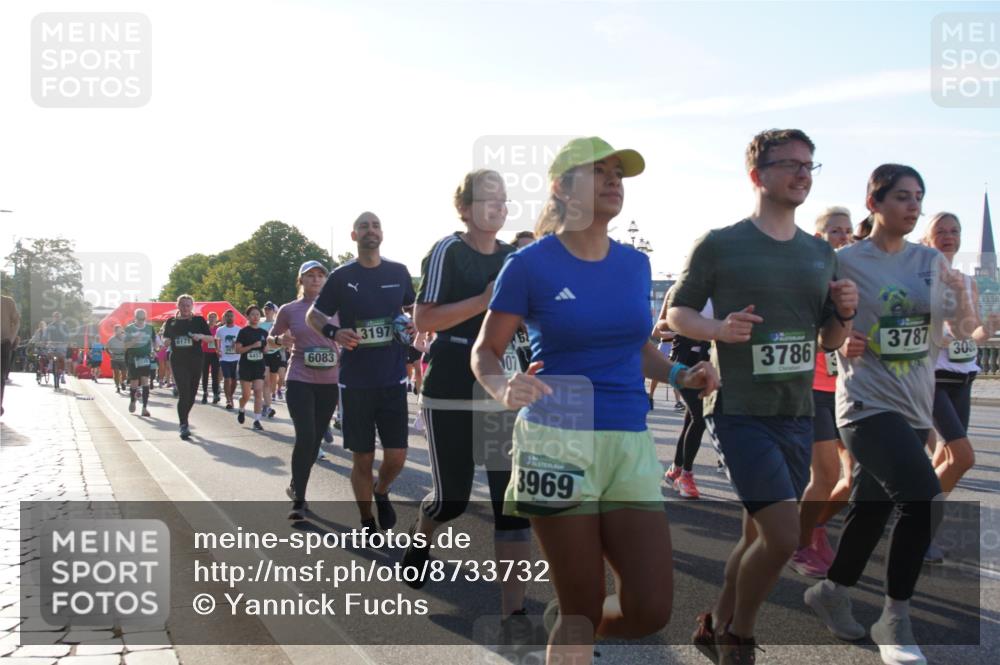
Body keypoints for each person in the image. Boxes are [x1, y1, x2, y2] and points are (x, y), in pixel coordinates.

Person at [473, 137, 719, 665]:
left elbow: (637, 346)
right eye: (599, 171)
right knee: (581, 606)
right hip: (555, 439)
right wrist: (502, 386)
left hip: (629, 439)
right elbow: (485, 351)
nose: (614, 181)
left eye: (619, 174)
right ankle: (570, 628)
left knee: (650, 609)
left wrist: (682, 373)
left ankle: (563, 624)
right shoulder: (529, 264)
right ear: (562, 188)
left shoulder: (634, 264)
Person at [667, 129, 857, 664]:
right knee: (781, 535)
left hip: (795, 412)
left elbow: (831, 341)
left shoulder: (821, 253)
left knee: (755, 536)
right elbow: (676, 313)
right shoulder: (720, 243)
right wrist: (717, 329)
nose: (802, 174)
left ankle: (714, 621)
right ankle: (739, 637)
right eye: (790, 164)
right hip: (739, 410)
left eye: (809, 165)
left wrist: (845, 312)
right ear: (757, 174)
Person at [804, 165, 974, 665]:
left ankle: (831, 591)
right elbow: (822, 333)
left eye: (918, 196)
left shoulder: (930, 262)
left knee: (872, 509)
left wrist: (962, 298)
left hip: (915, 404)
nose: (913, 205)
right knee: (922, 498)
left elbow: (964, 329)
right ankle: (895, 618)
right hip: (865, 404)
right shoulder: (843, 261)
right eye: (902, 196)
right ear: (873, 203)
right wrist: (842, 338)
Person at [405, 169, 534, 647]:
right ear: (464, 208)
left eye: (504, 199)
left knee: (511, 505)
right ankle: (423, 533)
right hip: (452, 386)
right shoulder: (448, 251)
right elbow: (424, 318)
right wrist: (484, 299)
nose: (499, 206)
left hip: (501, 388)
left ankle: (513, 613)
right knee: (452, 499)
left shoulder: (514, 258)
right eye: (487, 199)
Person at [307, 212, 416, 532]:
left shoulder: (399, 271)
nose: (371, 230)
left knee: (396, 456)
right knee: (363, 458)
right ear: (354, 235)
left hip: (393, 378)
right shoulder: (341, 276)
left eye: (376, 225)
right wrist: (334, 333)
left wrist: (414, 322)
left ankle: (382, 490)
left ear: (382, 233)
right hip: (355, 382)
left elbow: (413, 308)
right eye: (364, 226)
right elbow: (314, 315)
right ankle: (367, 519)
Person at [920, 211, 996, 563]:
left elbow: (973, 333)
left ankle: (921, 531)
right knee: (962, 457)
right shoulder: (922, 279)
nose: (949, 236)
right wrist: (946, 338)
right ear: (928, 238)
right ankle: (916, 526)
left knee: (944, 457)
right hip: (934, 378)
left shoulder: (967, 281)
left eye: (955, 230)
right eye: (941, 231)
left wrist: (988, 328)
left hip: (964, 378)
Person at [790, 206, 856, 577]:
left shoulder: (855, 279)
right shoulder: (810, 278)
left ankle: (814, 526)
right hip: (813, 389)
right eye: (835, 231)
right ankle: (799, 544)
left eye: (847, 231)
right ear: (819, 237)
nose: (843, 237)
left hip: (848, 390)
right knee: (827, 474)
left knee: (856, 477)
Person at [271, 261, 341, 521]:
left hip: (329, 381)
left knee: (315, 439)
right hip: (300, 377)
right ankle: (299, 499)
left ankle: (295, 484)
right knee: (306, 435)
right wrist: (279, 340)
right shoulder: (289, 309)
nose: (316, 279)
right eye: (310, 275)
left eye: (320, 275)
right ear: (301, 280)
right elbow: (270, 339)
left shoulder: (339, 308)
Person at [661, 300, 713, 500]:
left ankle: (676, 469)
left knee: (692, 418)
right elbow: (659, 328)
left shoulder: (720, 293)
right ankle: (685, 476)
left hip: (708, 363)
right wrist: (686, 325)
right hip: (682, 364)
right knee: (700, 417)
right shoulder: (681, 291)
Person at [162, 295, 213, 440]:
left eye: (188, 305)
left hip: (195, 359)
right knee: (184, 392)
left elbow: (210, 339)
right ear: (177, 306)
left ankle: (184, 417)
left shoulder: (199, 320)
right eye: (182, 305)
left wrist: (200, 336)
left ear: (192, 306)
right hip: (178, 361)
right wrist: (166, 341)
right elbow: (165, 338)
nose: (185, 308)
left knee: (192, 393)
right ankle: (183, 424)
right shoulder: (171, 322)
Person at [234, 304, 269, 431]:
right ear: (247, 316)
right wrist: (252, 346)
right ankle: (241, 408)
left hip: (259, 365)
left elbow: (266, 349)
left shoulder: (264, 333)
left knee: (258, 391)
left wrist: (265, 348)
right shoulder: (243, 332)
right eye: (253, 314)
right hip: (246, 366)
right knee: (246, 395)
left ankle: (257, 420)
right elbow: (238, 350)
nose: (255, 317)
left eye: (257, 314)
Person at [123, 309, 156, 417]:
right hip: (133, 358)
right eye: (139, 318)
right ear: (135, 318)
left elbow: (155, 341)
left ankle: (144, 408)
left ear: (145, 318)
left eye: (143, 318)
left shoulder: (150, 328)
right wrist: (135, 340)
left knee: (145, 381)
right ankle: (133, 401)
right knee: (134, 382)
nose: (141, 320)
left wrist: (155, 349)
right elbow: (125, 346)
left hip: (145, 358)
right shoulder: (129, 329)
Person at [215, 310, 242, 410]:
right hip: (224, 358)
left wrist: (238, 345)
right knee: (227, 379)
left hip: (236, 358)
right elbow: (216, 340)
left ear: (234, 317)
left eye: (231, 316)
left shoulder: (239, 330)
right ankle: (228, 400)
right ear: (224, 318)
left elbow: (242, 342)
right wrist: (217, 350)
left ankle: (230, 395)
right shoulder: (220, 330)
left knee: (234, 381)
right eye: (227, 316)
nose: (229, 317)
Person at [259, 301, 279, 418]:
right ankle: (268, 407)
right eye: (266, 309)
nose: (267, 311)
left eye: (269, 309)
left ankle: (267, 402)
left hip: (275, 354)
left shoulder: (277, 324)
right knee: (266, 381)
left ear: (273, 311)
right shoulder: (260, 324)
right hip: (264, 354)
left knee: (272, 382)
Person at [1, 295, 20, 415]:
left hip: (3, 343)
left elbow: (16, 321)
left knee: (1, 377)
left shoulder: (7, 302)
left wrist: (10, 339)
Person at [201, 311, 222, 404]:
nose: (212, 319)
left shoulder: (218, 329)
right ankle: (205, 393)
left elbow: (221, 340)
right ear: (208, 318)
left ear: (217, 319)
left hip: (215, 354)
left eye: (214, 317)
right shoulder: (204, 328)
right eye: (210, 317)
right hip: (205, 353)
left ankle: (215, 394)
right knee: (205, 374)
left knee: (215, 375)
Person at [106, 325, 127, 393]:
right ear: (115, 331)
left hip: (123, 359)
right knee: (116, 373)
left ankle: (122, 382)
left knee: (124, 374)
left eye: (120, 330)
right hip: (114, 359)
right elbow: (106, 348)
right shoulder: (111, 339)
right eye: (117, 330)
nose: (119, 332)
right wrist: (110, 353)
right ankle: (117, 386)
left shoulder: (125, 338)